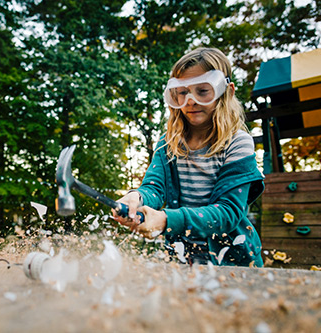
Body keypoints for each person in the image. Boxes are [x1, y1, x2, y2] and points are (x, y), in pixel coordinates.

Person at [113, 47, 264, 267]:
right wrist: (136, 199)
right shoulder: (168, 142)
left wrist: (167, 220)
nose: (190, 101)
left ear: (227, 92)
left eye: (202, 91)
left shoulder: (238, 143)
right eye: (182, 92)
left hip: (234, 264)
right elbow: (154, 188)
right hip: (182, 260)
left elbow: (228, 211)